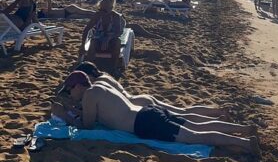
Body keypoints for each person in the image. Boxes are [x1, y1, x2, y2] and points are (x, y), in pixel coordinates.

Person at [55, 71, 257, 152]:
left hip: (144, 123)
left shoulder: (89, 95)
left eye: (69, 90)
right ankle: (245, 129)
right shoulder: (99, 87)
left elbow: (88, 127)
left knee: (196, 136)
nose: (70, 95)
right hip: (146, 112)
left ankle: (246, 142)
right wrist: (76, 110)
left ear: (77, 86)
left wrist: (66, 116)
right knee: (196, 125)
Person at [60, 61, 227, 120]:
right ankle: (217, 112)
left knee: (181, 115)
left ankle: (216, 116)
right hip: (141, 99)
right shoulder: (106, 76)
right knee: (182, 111)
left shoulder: (99, 83)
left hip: (137, 104)